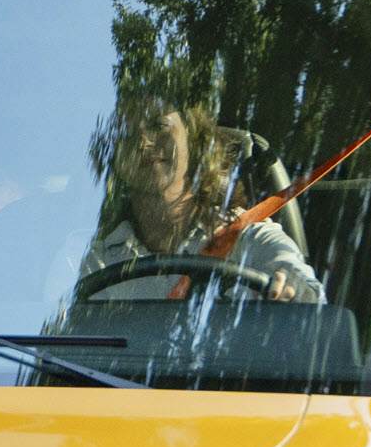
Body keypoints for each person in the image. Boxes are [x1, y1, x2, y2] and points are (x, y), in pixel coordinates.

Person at [80, 87, 323, 303]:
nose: (143, 142)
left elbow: (308, 295)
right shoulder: (98, 259)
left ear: (195, 142)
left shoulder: (248, 237)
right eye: (126, 133)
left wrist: (291, 289)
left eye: (157, 126)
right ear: (116, 160)